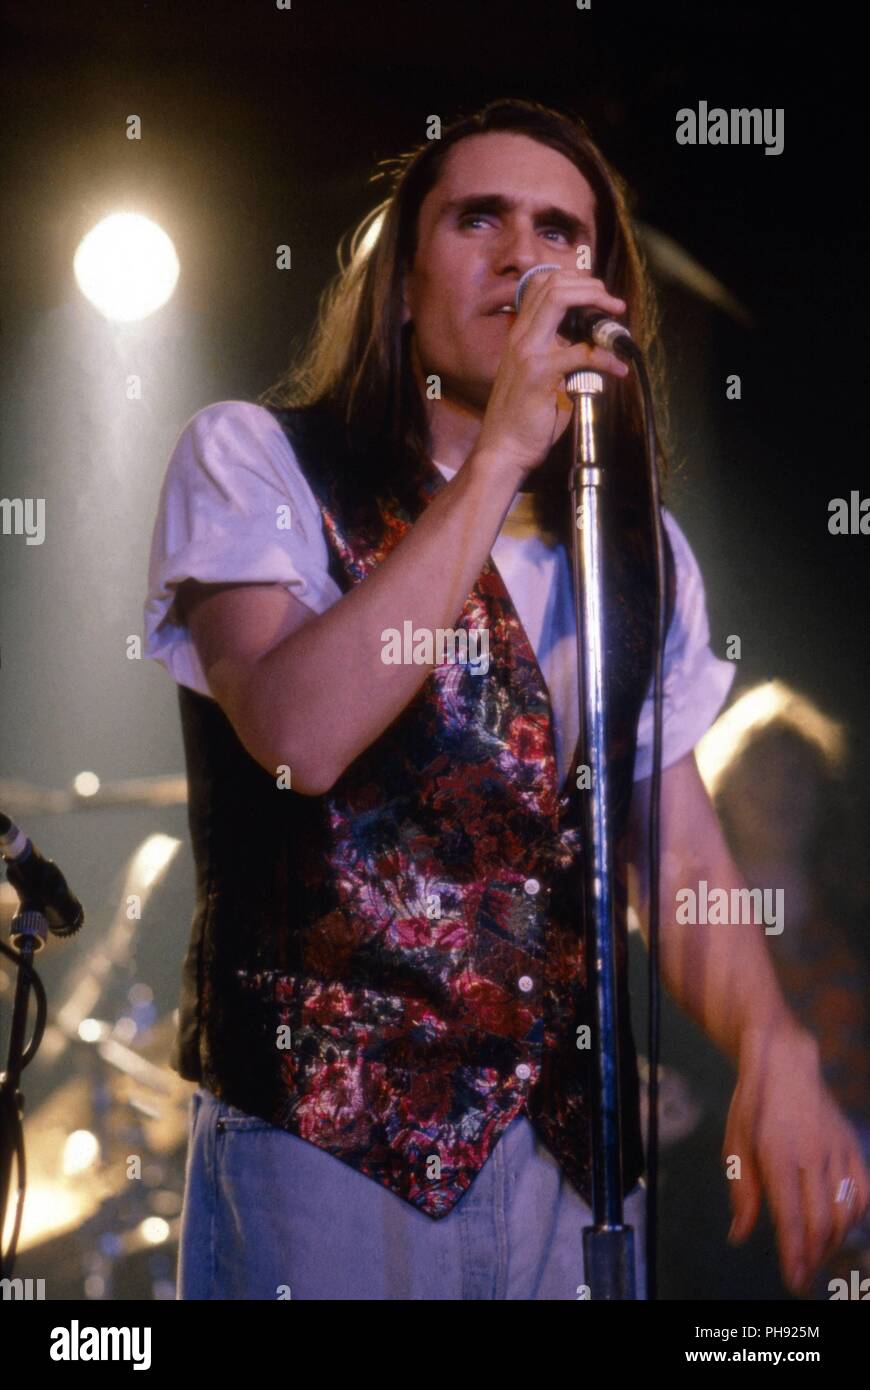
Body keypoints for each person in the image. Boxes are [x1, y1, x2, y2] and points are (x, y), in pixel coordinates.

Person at [143, 99, 869, 1300]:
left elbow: (674, 854)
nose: (522, 256)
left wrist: (774, 1046)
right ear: (403, 278)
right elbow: (298, 734)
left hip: (571, 1161)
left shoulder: (633, 550)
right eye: (479, 217)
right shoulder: (257, 458)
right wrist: (496, 460)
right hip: (334, 1151)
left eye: (560, 232)